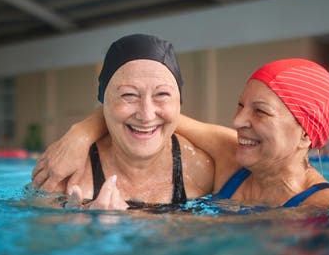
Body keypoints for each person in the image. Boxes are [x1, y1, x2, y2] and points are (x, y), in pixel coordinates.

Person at [33, 58, 329, 209]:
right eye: (240, 105)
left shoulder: (327, 209)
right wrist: (80, 133)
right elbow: (158, 117)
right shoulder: (232, 157)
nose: (238, 120)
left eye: (260, 111)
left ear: (306, 135)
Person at [34, 33, 214, 210]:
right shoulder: (68, 174)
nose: (146, 115)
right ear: (104, 103)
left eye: (162, 95)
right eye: (129, 95)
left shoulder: (202, 171)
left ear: (179, 102)